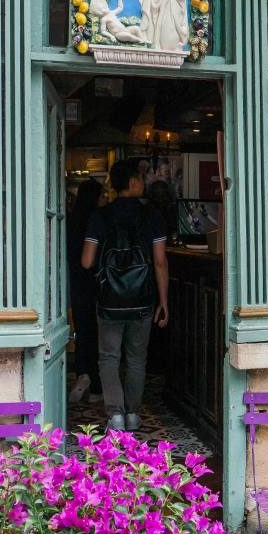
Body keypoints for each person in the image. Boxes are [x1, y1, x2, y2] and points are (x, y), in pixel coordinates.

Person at [81, 157, 169, 432]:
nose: (143, 183)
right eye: (141, 179)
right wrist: (164, 302)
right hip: (143, 299)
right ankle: (133, 414)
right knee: (136, 357)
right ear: (133, 182)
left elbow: (86, 261)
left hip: (109, 300)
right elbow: (160, 262)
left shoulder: (100, 216)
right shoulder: (152, 216)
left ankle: (115, 415)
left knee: (108, 357)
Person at [66, 179, 103, 405]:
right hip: (97, 283)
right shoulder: (97, 219)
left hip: (76, 282)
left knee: (82, 329)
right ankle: (97, 385)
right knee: (98, 334)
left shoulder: (71, 219)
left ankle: (82, 374)